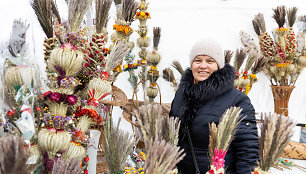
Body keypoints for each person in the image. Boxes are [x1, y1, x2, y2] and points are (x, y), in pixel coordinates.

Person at [169, 39, 259, 174]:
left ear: (218, 66)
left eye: (209, 61)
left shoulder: (237, 100)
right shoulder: (181, 95)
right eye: (198, 60)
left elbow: (247, 152)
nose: (203, 66)